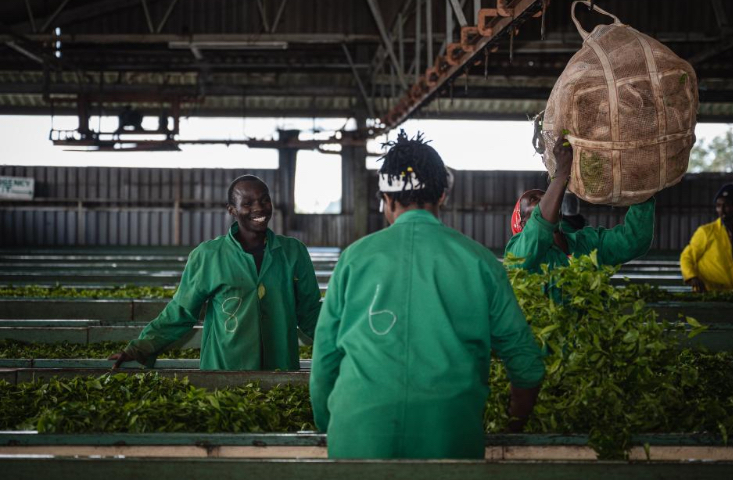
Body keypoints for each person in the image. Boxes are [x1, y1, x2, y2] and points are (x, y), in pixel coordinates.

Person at [310, 132, 545, 459]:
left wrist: (332, 425)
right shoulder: (480, 262)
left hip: (358, 438)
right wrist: (512, 426)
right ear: (443, 196)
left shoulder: (354, 259)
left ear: (387, 199)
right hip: (450, 440)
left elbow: (324, 363)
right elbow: (527, 366)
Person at [109, 175, 321, 370]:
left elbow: (310, 312)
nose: (259, 208)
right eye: (247, 203)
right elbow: (181, 311)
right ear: (232, 210)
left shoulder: (293, 252)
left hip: (280, 368)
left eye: (264, 200)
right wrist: (139, 349)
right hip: (225, 369)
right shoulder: (208, 255)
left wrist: (342, 343)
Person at [505, 134, 655, 275]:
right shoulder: (516, 254)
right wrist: (562, 172)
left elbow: (634, 241)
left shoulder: (587, 243)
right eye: (533, 200)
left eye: (545, 195)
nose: (545, 197)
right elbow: (539, 227)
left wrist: (641, 189)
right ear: (524, 225)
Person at [680, 183, 733, 292]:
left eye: (727, 205)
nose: (722, 210)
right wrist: (692, 277)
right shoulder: (706, 232)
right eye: (718, 206)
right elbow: (686, 257)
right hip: (708, 295)